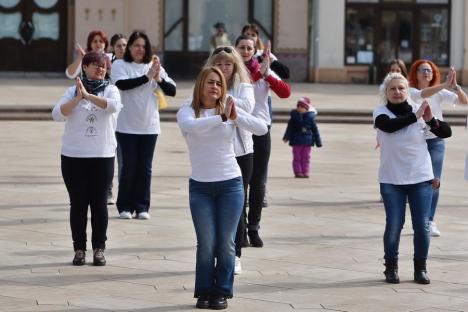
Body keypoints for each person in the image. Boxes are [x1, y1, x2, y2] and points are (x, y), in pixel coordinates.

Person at [177, 66, 267, 310]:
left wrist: (237, 117)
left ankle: (222, 292)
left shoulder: (229, 107)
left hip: (230, 184)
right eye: (210, 82)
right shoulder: (188, 111)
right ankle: (204, 291)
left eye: (218, 83)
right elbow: (193, 127)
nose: (215, 87)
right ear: (201, 85)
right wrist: (223, 118)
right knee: (206, 242)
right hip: (200, 187)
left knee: (226, 242)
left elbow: (261, 128)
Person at [374, 72, 451, 285]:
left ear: (408, 91)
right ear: (386, 93)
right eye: (393, 89)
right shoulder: (381, 112)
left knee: (422, 225)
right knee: (394, 225)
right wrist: (416, 116)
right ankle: (391, 267)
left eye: (401, 88)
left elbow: (446, 133)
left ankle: (421, 269)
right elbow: (388, 127)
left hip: (421, 178)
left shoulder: (420, 110)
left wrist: (431, 120)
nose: (397, 92)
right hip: (391, 179)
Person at [52, 51, 122, 266]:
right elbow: (57, 114)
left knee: (99, 204)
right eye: (94, 65)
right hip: (74, 156)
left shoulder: (112, 90)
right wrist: (77, 98)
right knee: (78, 204)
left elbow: (112, 107)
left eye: (103, 66)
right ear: (84, 67)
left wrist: (89, 96)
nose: (99, 69)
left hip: (102, 155)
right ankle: (79, 249)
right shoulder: (72, 91)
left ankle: (99, 249)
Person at [111, 31, 176, 220]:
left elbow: (172, 90)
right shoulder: (120, 65)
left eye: (143, 46)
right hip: (126, 126)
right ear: (129, 47)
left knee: (145, 168)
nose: (140, 49)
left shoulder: (153, 66)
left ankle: (142, 206)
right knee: (128, 166)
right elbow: (122, 85)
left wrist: (159, 79)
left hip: (149, 126)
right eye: (136, 45)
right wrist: (146, 78)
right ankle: (124, 206)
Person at [235, 34, 291, 248]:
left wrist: (268, 73)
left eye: (250, 48)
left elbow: (285, 93)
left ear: (254, 50)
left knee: (258, 182)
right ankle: (240, 231)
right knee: (241, 182)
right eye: (242, 47)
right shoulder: (232, 70)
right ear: (236, 49)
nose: (246, 51)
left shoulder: (264, 67)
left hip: (260, 129)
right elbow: (246, 83)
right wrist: (260, 72)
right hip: (239, 130)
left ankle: (254, 228)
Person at [204, 46, 255, 275]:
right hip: (214, 152)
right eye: (220, 64)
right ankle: (217, 251)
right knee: (215, 206)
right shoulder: (207, 85)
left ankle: (235, 254)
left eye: (228, 64)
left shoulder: (243, 86)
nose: (224, 69)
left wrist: (222, 96)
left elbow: (246, 107)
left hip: (241, 153)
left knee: (237, 205)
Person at [408, 60, 468, 236]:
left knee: (434, 181)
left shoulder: (440, 92)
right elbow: (422, 94)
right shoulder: (411, 91)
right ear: (416, 73)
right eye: (422, 70)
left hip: (436, 141)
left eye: (429, 70)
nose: (426, 73)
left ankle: (429, 220)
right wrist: (444, 84)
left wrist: (455, 87)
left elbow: (464, 101)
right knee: (417, 181)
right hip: (416, 141)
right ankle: (419, 219)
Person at [106, 33, 128, 205]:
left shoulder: (131, 66)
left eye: (125, 45)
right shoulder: (107, 66)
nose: (122, 48)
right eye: (119, 45)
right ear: (112, 47)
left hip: (126, 119)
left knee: (123, 159)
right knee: (107, 156)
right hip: (109, 117)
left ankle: (124, 193)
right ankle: (107, 189)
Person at [283, 97, 322, 178]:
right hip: (296, 141)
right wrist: (286, 137)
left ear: (306, 108)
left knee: (306, 157)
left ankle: (305, 171)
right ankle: (298, 172)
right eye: (298, 106)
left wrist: (318, 141)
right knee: (297, 157)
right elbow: (289, 128)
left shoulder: (311, 117)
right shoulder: (294, 116)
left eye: (302, 107)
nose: (299, 108)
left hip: (307, 141)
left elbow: (315, 130)